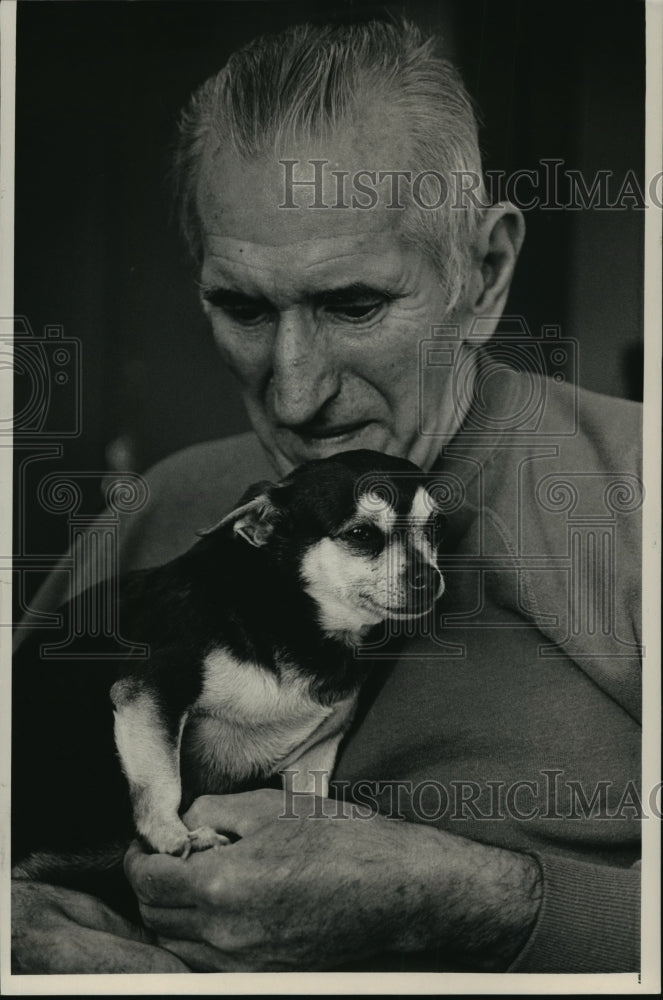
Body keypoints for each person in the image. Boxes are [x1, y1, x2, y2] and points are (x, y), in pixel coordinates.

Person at [11, 19, 641, 974]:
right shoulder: (164, 510)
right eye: (244, 308)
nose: (295, 392)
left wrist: (470, 904)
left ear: (485, 274)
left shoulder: (640, 497)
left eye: (354, 305)